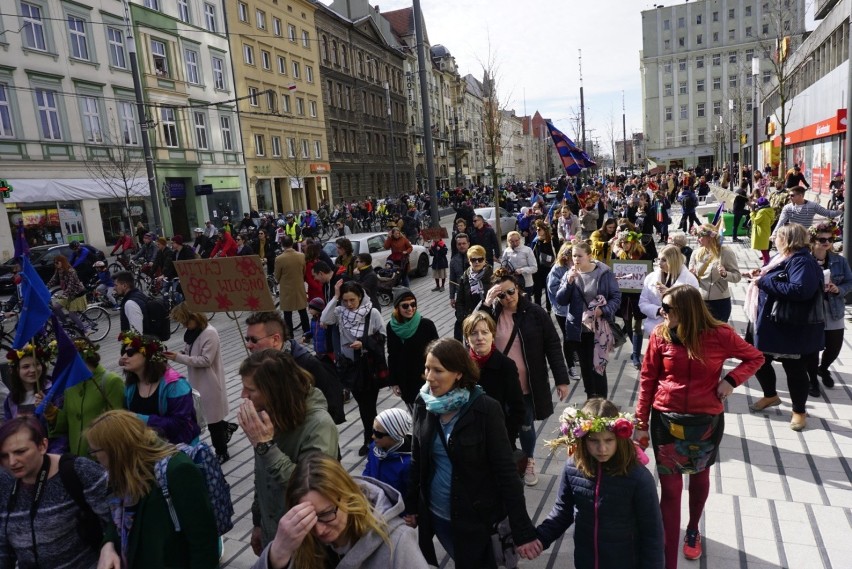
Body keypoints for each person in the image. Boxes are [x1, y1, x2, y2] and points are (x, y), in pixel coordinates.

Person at [635, 284, 764, 568]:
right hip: (665, 421)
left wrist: (730, 382)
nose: (662, 312)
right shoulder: (660, 335)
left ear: (687, 310)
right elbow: (647, 380)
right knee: (669, 490)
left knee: (699, 477)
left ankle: (692, 529)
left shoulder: (721, 334)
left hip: (705, 422)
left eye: (667, 309)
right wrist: (640, 423)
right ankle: (666, 560)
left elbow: (755, 357)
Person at [407, 339, 541, 568]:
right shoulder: (423, 402)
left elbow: (507, 473)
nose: (429, 377)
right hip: (437, 515)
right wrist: (411, 506)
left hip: (474, 520)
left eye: (438, 370)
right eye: (427, 368)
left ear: (458, 373)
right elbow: (417, 460)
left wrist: (523, 530)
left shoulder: (485, 409)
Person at [536, 399, 664, 569]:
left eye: (609, 440)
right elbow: (562, 511)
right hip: (585, 561)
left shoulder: (638, 478)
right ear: (582, 440)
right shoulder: (572, 467)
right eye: (594, 441)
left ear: (620, 437)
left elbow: (653, 533)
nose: (602, 448)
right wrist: (539, 539)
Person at [87, 410, 220, 569]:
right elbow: (116, 519)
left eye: (95, 452)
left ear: (115, 449)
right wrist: (107, 545)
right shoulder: (121, 473)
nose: (94, 458)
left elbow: (204, 544)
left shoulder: (177, 471)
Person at [237, 349, 339, 553]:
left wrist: (266, 448)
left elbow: (313, 488)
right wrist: (259, 523)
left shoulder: (319, 425)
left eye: (251, 390)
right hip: (273, 532)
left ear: (275, 391)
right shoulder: (268, 417)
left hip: (307, 543)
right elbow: (262, 477)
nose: (243, 396)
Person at [253, 451, 428, 569]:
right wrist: (277, 554)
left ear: (348, 496)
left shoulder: (397, 543)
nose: (319, 530)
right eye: (308, 519)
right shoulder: (297, 539)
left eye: (326, 514)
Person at [484, 269, 570, 486]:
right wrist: (486, 304)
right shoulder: (492, 313)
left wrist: (561, 379)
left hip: (527, 382)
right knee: (500, 424)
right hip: (497, 383)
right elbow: (472, 331)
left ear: (519, 288)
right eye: (501, 295)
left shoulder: (535, 312)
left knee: (525, 424)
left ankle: (529, 461)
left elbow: (552, 344)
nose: (508, 298)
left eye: (511, 291)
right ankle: (507, 461)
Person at [0, 416, 112, 569]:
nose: (12, 462)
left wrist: (109, 545)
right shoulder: (4, 482)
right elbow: (3, 543)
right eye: (4, 456)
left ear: (42, 445)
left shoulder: (78, 471)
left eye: (20, 452)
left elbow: (117, 522)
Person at [745, 223, 826, 431]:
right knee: (757, 360)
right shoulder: (783, 257)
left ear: (788, 240)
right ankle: (770, 395)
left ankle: (799, 411)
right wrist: (761, 275)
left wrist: (763, 282)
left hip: (789, 327)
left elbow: (800, 290)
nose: (774, 240)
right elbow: (776, 276)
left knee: (794, 369)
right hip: (768, 323)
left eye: (778, 237)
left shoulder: (802, 261)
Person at [243, 311, 345, 425]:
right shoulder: (258, 366)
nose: (248, 345)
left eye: (254, 340)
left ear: (275, 339)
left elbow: (332, 409)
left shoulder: (307, 364)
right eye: (247, 339)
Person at [321, 281, 385, 456]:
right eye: (345, 300)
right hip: (350, 368)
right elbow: (324, 319)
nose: (349, 304)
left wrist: (363, 343)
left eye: (352, 300)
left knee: (368, 406)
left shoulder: (372, 313)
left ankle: (371, 440)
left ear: (361, 297)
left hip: (369, 368)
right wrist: (335, 296)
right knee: (364, 406)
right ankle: (373, 437)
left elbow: (382, 336)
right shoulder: (340, 313)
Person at [166, 304, 235, 463]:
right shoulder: (193, 331)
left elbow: (205, 360)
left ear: (195, 317)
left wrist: (178, 357)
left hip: (210, 381)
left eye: (185, 322)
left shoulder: (209, 333)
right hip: (198, 380)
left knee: (212, 420)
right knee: (212, 415)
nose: (184, 326)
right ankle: (227, 427)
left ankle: (222, 452)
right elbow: (191, 352)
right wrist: (180, 354)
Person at [554, 241, 621, 399]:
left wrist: (603, 310)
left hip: (598, 329)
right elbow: (561, 300)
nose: (575, 259)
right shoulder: (569, 274)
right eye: (573, 255)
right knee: (585, 368)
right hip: (579, 330)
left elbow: (616, 297)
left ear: (589, 256)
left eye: (579, 256)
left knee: (598, 367)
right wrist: (569, 283)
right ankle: (591, 401)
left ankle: (602, 403)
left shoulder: (604, 273)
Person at [118, 330, 200, 445]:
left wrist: (140, 419)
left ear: (148, 355)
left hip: (177, 450)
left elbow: (180, 425)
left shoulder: (175, 385)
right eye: (123, 353)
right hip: (146, 450)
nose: (124, 357)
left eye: (130, 353)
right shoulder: (131, 385)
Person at [462, 311, 526, 450]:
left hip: (498, 437)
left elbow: (518, 408)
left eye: (485, 332)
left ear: (492, 335)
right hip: (467, 437)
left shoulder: (505, 365)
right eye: (474, 333)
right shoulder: (461, 366)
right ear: (467, 338)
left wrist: (506, 436)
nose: (480, 338)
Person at [49, 339, 124, 457]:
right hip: (76, 461)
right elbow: (66, 424)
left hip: (102, 460)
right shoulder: (71, 383)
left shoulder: (111, 381)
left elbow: (120, 425)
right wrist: (51, 412)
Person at [806, 221, 852, 395]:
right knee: (811, 348)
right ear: (813, 240)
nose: (826, 242)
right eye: (822, 239)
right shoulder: (805, 260)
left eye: (830, 239)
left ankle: (823, 368)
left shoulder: (839, 261)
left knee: (834, 347)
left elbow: (849, 281)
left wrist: (838, 289)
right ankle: (812, 381)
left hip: (833, 308)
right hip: (810, 310)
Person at [387, 288, 439, 409]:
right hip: (405, 381)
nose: (410, 308)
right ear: (397, 308)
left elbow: (437, 353)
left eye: (413, 304)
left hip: (425, 379)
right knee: (415, 417)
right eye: (405, 306)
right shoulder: (391, 327)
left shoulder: (426, 324)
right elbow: (392, 355)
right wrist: (394, 382)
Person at [612, 230, 653, 368]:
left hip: (638, 296)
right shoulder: (620, 256)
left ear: (633, 242)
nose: (624, 244)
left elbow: (648, 274)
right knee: (628, 326)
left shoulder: (643, 256)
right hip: (625, 296)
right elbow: (616, 272)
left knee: (636, 327)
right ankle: (635, 350)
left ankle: (636, 355)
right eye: (621, 242)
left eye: (626, 242)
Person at [639, 244, 699, 336]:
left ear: (673, 261)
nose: (659, 263)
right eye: (658, 259)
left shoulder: (690, 279)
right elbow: (642, 303)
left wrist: (671, 294)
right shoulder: (651, 278)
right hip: (656, 330)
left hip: (680, 331)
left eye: (663, 260)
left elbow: (694, 307)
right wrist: (658, 310)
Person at [688, 224, 742, 322]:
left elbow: (737, 276)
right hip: (699, 300)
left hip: (719, 302)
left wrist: (725, 274)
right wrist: (691, 274)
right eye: (697, 236)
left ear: (710, 237)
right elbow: (691, 275)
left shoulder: (725, 252)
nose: (697, 239)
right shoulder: (696, 253)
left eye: (700, 236)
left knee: (717, 335)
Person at [362, 408, 414, 508]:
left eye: (378, 434)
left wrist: (410, 512)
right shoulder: (375, 447)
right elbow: (368, 468)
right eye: (373, 430)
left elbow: (410, 493)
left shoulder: (408, 463)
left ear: (394, 435)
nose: (373, 436)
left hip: (394, 511)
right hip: (373, 503)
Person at [547, 241, 581, 376]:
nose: (575, 259)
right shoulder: (557, 269)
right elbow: (553, 289)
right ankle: (571, 366)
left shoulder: (581, 265)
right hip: (562, 309)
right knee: (568, 337)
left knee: (577, 336)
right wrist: (567, 285)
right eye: (573, 256)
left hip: (578, 308)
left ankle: (575, 354)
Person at [772, 185, 842, 238]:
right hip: (792, 237)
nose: (789, 197)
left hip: (806, 237)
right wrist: (774, 234)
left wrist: (841, 210)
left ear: (800, 195)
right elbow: (781, 221)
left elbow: (829, 214)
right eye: (789, 195)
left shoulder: (813, 206)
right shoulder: (787, 207)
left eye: (792, 195)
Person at [274, 235, 310, 337]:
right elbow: (304, 271)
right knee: (303, 311)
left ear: (282, 244)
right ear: (292, 243)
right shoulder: (301, 256)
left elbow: (277, 276)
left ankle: (290, 336)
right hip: (299, 287)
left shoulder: (279, 259)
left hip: (286, 289)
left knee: (287, 314)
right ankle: (307, 332)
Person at [454, 245, 493, 332]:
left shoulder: (492, 276)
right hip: (469, 319)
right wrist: (463, 318)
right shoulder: (465, 276)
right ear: (469, 261)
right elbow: (459, 300)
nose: (477, 262)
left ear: (485, 259)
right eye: (473, 260)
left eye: (480, 259)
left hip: (488, 320)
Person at [48, 254, 88, 332]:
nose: (55, 265)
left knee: (72, 315)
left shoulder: (71, 271)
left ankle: (84, 331)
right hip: (69, 294)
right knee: (56, 307)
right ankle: (66, 325)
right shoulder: (59, 270)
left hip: (77, 294)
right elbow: (53, 280)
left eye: (57, 263)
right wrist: (45, 288)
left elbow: (70, 286)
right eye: (54, 263)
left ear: (62, 262)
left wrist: (63, 295)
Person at [448, 233, 471, 340]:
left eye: (464, 243)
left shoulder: (475, 258)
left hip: (473, 295)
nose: (462, 246)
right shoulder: (453, 261)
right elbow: (452, 280)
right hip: (460, 296)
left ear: (468, 244)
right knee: (459, 320)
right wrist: (452, 297)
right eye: (459, 244)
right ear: (456, 245)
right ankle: (458, 346)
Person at [500, 231, 537, 296]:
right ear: (508, 241)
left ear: (520, 239)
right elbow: (503, 265)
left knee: (526, 303)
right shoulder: (507, 251)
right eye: (512, 241)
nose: (515, 243)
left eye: (516, 240)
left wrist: (522, 270)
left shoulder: (527, 250)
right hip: (512, 283)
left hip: (526, 283)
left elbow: (534, 268)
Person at [531, 222, 557, 310]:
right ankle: (537, 310)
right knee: (537, 292)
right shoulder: (535, 241)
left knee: (548, 291)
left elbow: (558, 254)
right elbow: (532, 254)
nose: (537, 231)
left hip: (549, 270)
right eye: (536, 229)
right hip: (537, 270)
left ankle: (549, 310)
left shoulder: (553, 240)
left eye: (539, 229)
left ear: (545, 230)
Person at [750, 196, 776, 266]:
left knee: (763, 250)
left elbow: (755, 221)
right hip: (766, 230)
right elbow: (772, 221)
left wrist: (752, 212)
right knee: (764, 249)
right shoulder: (770, 210)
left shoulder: (762, 212)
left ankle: (766, 264)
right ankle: (766, 262)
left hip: (761, 232)